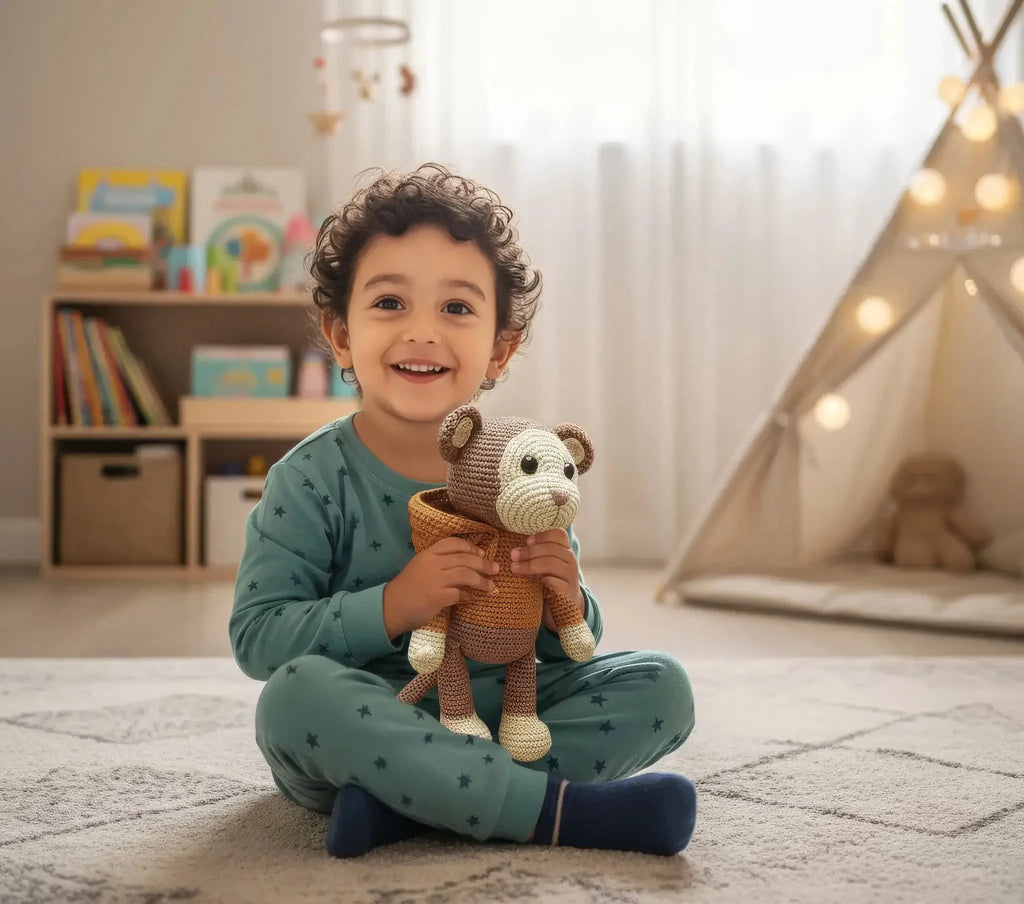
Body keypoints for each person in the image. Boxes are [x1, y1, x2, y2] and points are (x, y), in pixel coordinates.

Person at [229, 163, 697, 859]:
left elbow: (564, 647)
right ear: (341, 335)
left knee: (663, 686)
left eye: (456, 308)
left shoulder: (526, 467)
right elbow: (260, 639)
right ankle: (555, 813)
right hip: (374, 716)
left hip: (507, 713)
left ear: (500, 349)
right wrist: (394, 603)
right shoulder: (309, 479)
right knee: (293, 698)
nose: (422, 332)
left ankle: (412, 806)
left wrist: (569, 595)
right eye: (390, 303)